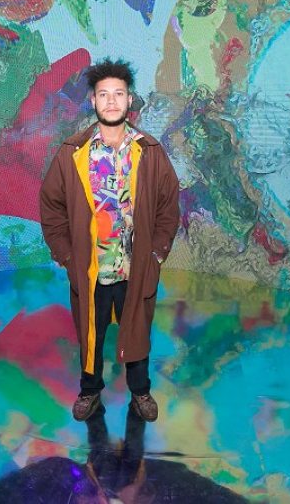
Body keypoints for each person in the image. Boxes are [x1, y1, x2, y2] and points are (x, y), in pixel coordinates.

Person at [39, 59, 180, 422]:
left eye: (119, 93)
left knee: (137, 330)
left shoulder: (150, 152)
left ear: (130, 100)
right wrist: (66, 255)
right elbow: (51, 205)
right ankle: (89, 392)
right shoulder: (72, 153)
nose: (112, 101)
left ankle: (140, 391)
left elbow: (168, 204)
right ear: (93, 101)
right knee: (91, 334)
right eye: (104, 94)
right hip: (92, 270)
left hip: (135, 267)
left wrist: (156, 254)